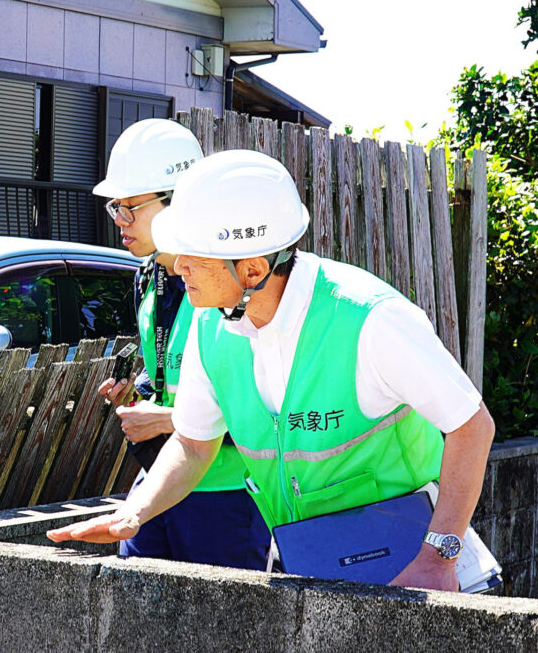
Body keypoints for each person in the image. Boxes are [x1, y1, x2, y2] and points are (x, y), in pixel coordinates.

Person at [51, 149, 495, 593]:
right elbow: (192, 442)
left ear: (253, 269)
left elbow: (472, 426)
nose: (178, 265)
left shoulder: (369, 319)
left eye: (194, 256)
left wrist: (438, 556)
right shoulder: (210, 324)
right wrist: (137, 511)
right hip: (315, 565)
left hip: (420, 574)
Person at [92, 120, 269, 570]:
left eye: (130, 208)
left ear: (176, 202)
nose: (120, 223)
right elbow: (166, 378)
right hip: (159, 482)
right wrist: (140, 401)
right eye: (116, 209)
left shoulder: (232, 284)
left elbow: (266, 411)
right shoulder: (147, 278)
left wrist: (167, 420)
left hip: (227, 495)